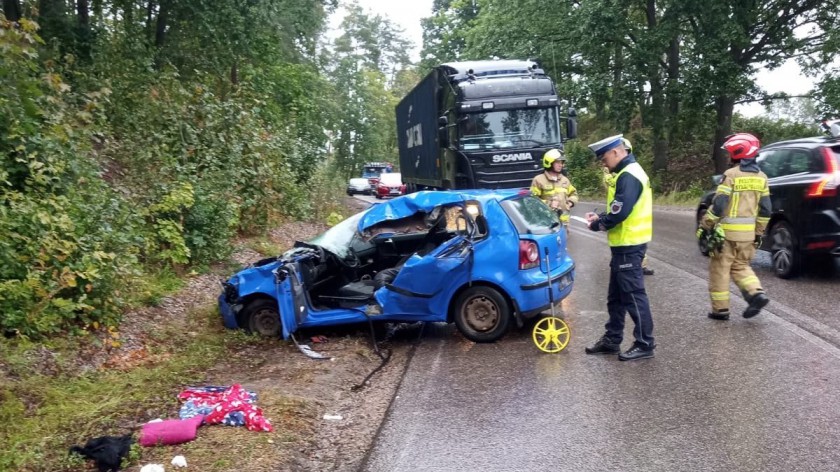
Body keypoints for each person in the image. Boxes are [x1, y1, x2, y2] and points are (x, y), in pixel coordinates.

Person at [584, 134, 655, 361]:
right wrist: (602, 215)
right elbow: (619, 207)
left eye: (604, 158)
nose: (603, 163)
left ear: (616, 152)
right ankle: (612, 340)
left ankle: (645, 344)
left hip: (630, 245)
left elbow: (621, 212)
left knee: (634, 297)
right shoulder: (625, 173)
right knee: (615, 298)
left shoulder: (630, 175)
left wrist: (599, 224)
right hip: (623, 246)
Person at [697, 132, 771, 320]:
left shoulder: (730, 175)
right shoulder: (762, 177)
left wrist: (707, 224)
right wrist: (758, 233)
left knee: (719, 269)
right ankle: (756, 293)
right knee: (741, 266)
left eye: (731, 153)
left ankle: (720, 310)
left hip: (727, 235)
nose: (729, 157)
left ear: (738, 153)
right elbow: (766, 210)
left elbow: (720, 203)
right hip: (748, 236)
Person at [530, 148, 578, 229]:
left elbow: (574, 194)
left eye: (562, 162)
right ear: (549, 162)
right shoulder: (538, 180)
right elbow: (532, 201)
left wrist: (570, 202)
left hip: (564, 225)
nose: (561, 165)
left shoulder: (565, 180)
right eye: (557, 162)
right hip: (546, 224)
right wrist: (549, 203)